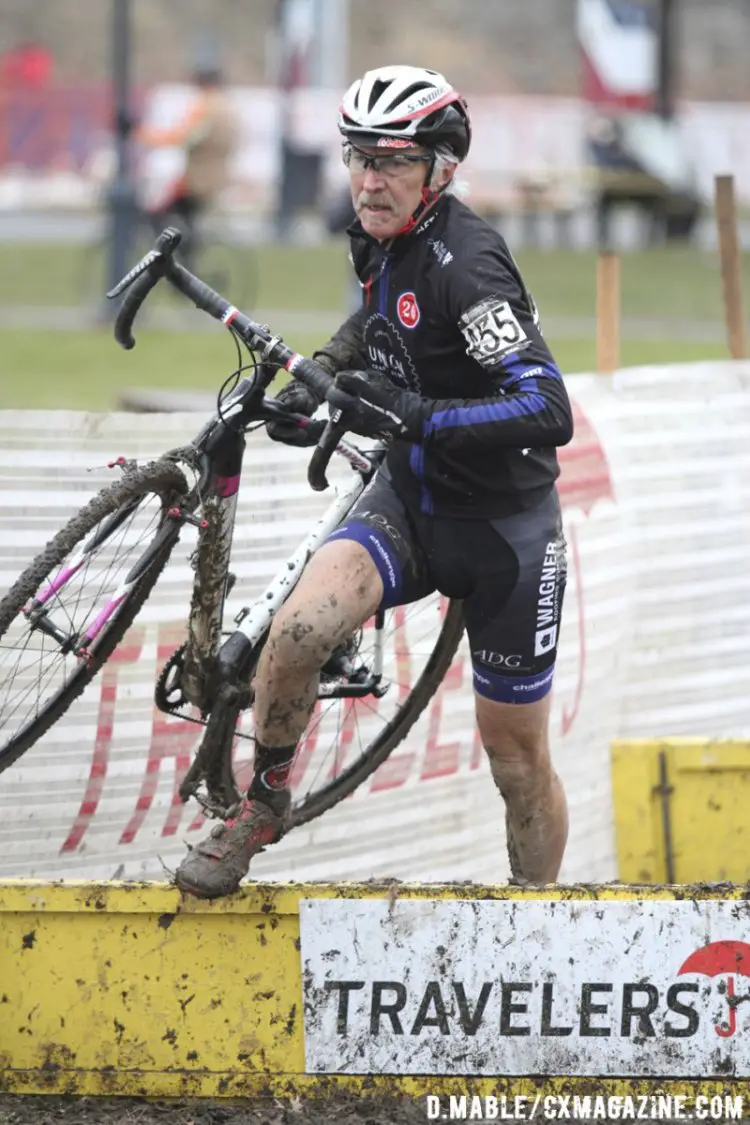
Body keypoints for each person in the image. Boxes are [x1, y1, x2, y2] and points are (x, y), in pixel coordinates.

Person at [175, 64, 574, 899]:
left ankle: (538, 920)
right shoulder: (379, 235)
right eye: (358, 156)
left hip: (506, 532)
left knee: (514, 758)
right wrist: (321, 373)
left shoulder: (469, 265)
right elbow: (379, 315)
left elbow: (546, 408)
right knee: (294, 634)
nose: (368, 179)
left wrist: (414, 411)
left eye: (392, 161)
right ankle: (263, 804)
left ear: (441, 168)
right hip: (411, 504)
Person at [135, 64, 238, 268]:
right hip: (216, 178)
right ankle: (184, 259)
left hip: (197, 180)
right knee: (183, 220)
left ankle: (174, 264)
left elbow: (182, 136)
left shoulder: (205, 107)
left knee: (156, 215)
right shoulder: (226, 107)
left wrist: (140, 134)